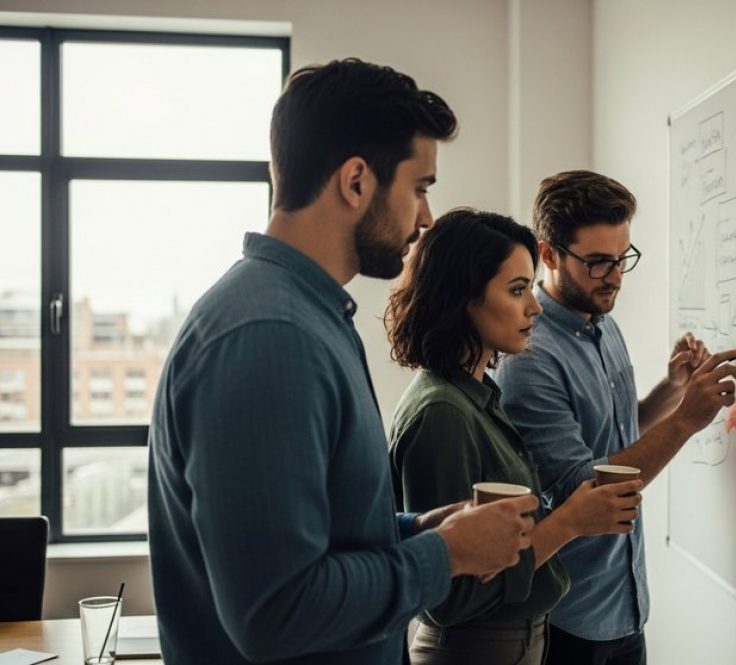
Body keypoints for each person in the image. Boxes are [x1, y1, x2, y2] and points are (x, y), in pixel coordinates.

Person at [147, 59, 537, 665]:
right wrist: (448, 555)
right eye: (420, 188)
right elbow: (277, 612)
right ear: (356, 181)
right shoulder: (268, 336)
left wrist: (418, 530)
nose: (427, 217)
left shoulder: (312, 315)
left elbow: (321, 540)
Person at [492, 170, 736, 664]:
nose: (615, 277)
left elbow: (618, 437)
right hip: (571, 619)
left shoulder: (602, 326)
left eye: (622, 258)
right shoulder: (531, 357)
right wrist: (686, 420)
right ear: (549, 255)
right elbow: (585, 489)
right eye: (598, 262)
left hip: (625, 606)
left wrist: (670, 392)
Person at [385, 207, 644, 664]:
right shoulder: (442, 412)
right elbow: (450, 597)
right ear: (463, 297)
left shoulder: (477, 393)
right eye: (518, 290)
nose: (535, 307)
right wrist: (569, 523)